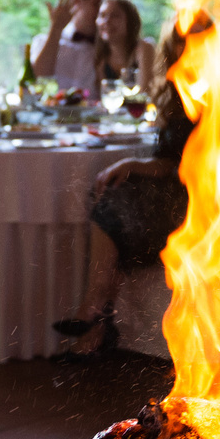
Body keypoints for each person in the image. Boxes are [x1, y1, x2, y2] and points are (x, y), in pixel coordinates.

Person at [54, 21, 200, 357]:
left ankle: (92, 314)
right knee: (109, 196)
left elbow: (190, 162)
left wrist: (133, 164)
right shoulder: (178, 86)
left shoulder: (215, 90)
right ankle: (94, 312)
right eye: (180, 44)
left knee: (114, 200)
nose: (185, 50)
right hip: (173, 188)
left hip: (197, 197)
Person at [31, 0, 112, 96]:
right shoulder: (44, 41)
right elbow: (37, 82)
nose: (103, 13)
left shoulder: (110, 48)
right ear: (76, 1)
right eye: (97, 4)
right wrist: (56, 28)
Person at [95, 0, 157, 94]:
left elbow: (145, 93)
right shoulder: (101, 57)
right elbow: (104, 97)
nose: (106, 21)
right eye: (102, 15)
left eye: (114, 16)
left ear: (130, 21)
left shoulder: (144, 48)